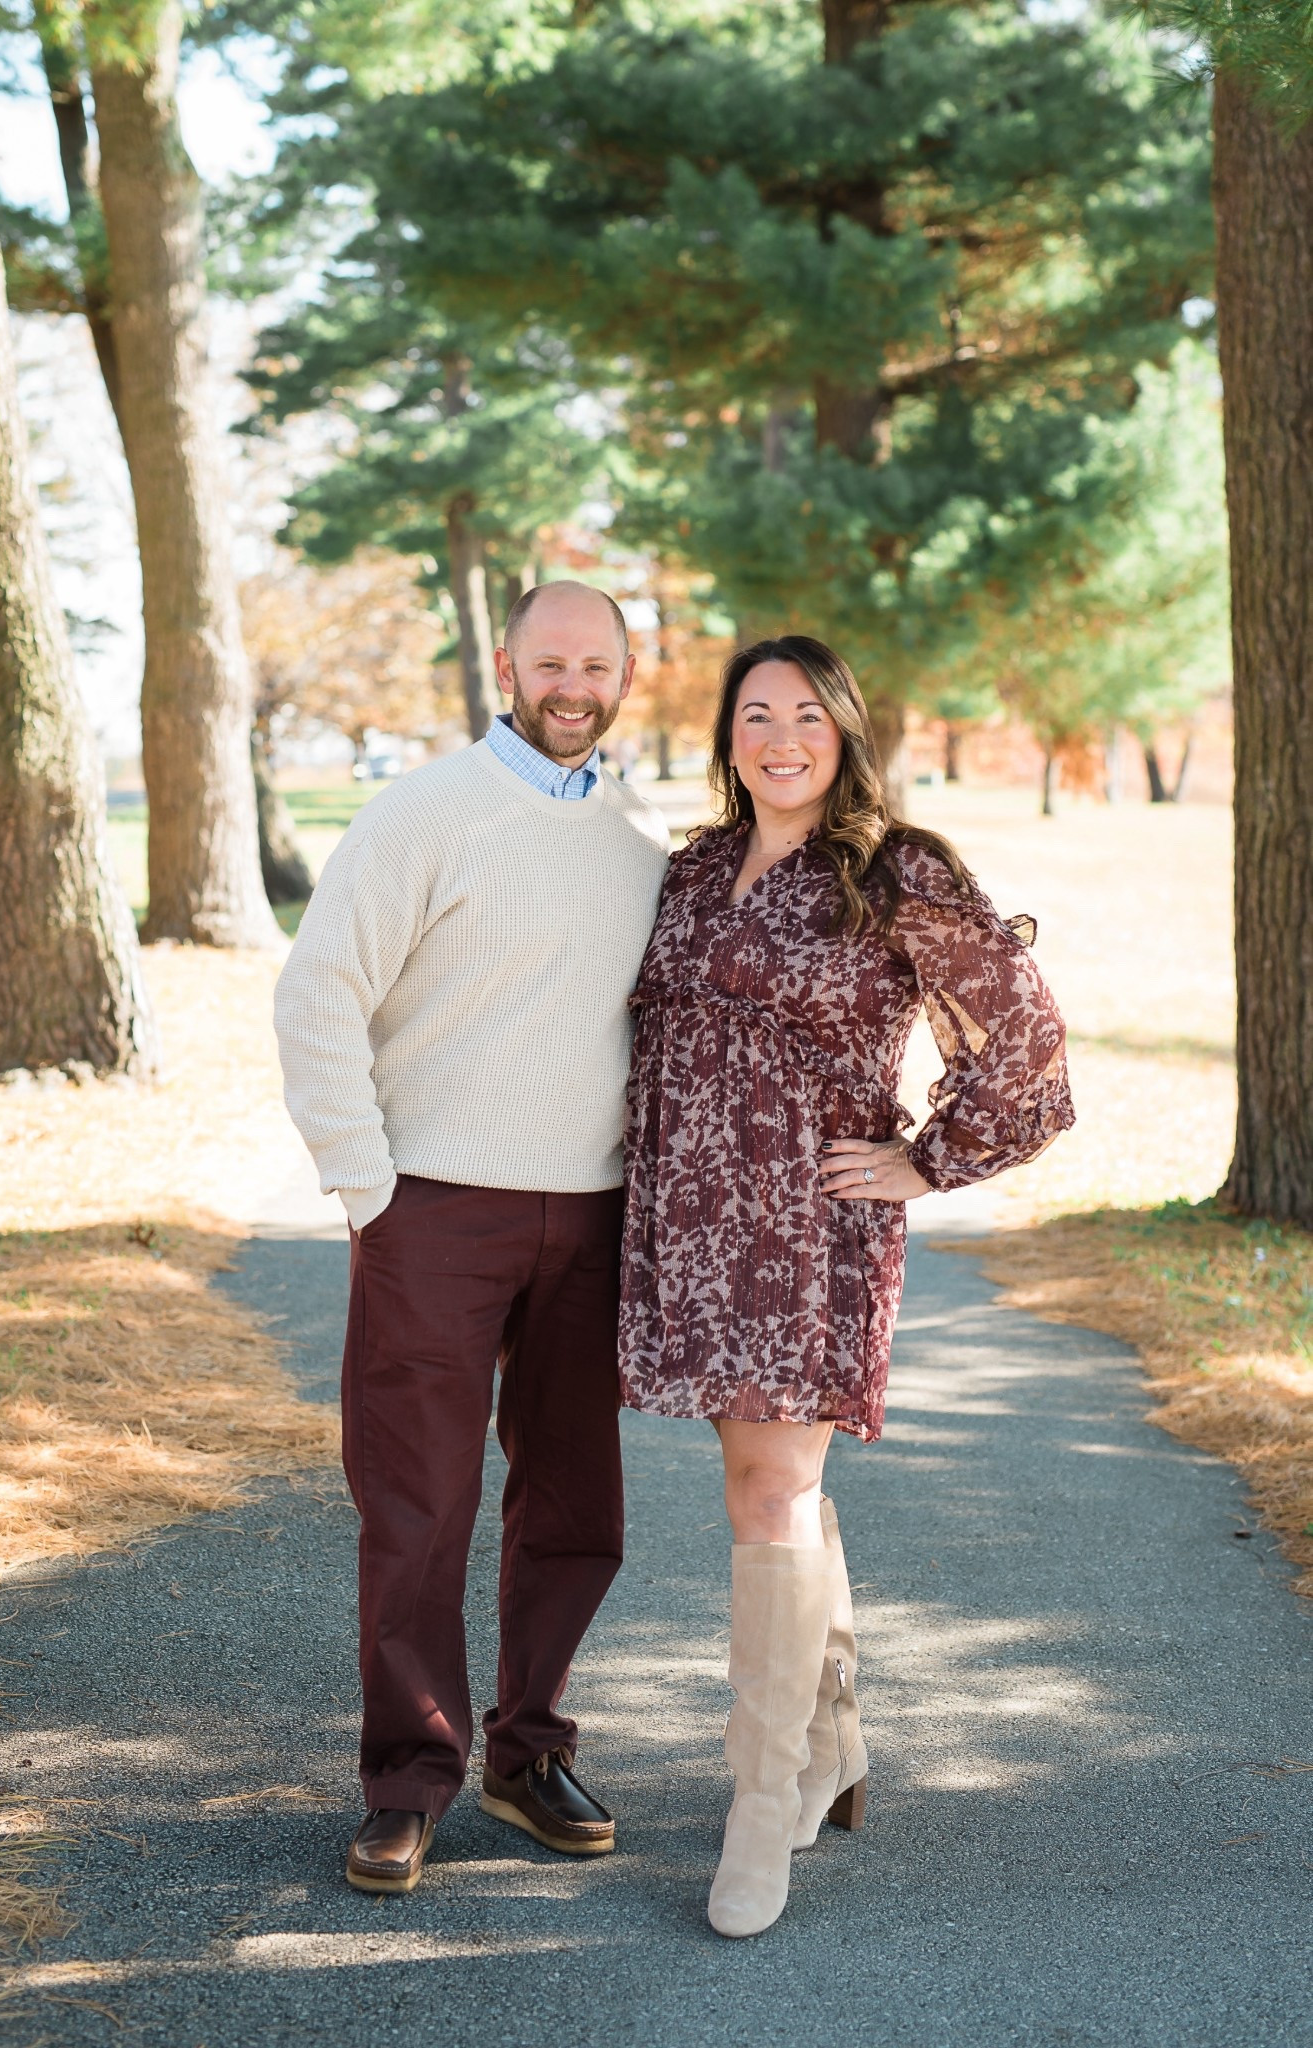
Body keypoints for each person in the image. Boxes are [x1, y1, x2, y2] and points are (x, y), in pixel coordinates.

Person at [619, 635, 1074, 1939]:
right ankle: (833, 1745)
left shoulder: (895, 868)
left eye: (805, 715)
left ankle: (759, 1803)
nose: (778, 738)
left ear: (846, 731)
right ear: (727, 738)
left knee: (774, 1493)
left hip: (812, 1231)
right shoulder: (694, 869)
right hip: (695, 1227)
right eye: (754, 715)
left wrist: (928, 1160)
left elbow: (1026, 1035)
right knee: (768, 1487)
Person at [274, 581, 670, 1895]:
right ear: (507, 663)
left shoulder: (641, 833)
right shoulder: (424, 813)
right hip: (434, 1207)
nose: (573, 683)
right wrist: (365, 1187)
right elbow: (318, 989)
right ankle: (410, 1780)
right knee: (418, 1509)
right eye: (550, 660)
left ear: (629, 675)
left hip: (594, 1211)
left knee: (576, 1509)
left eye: (597, 663)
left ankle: (525, 1751)